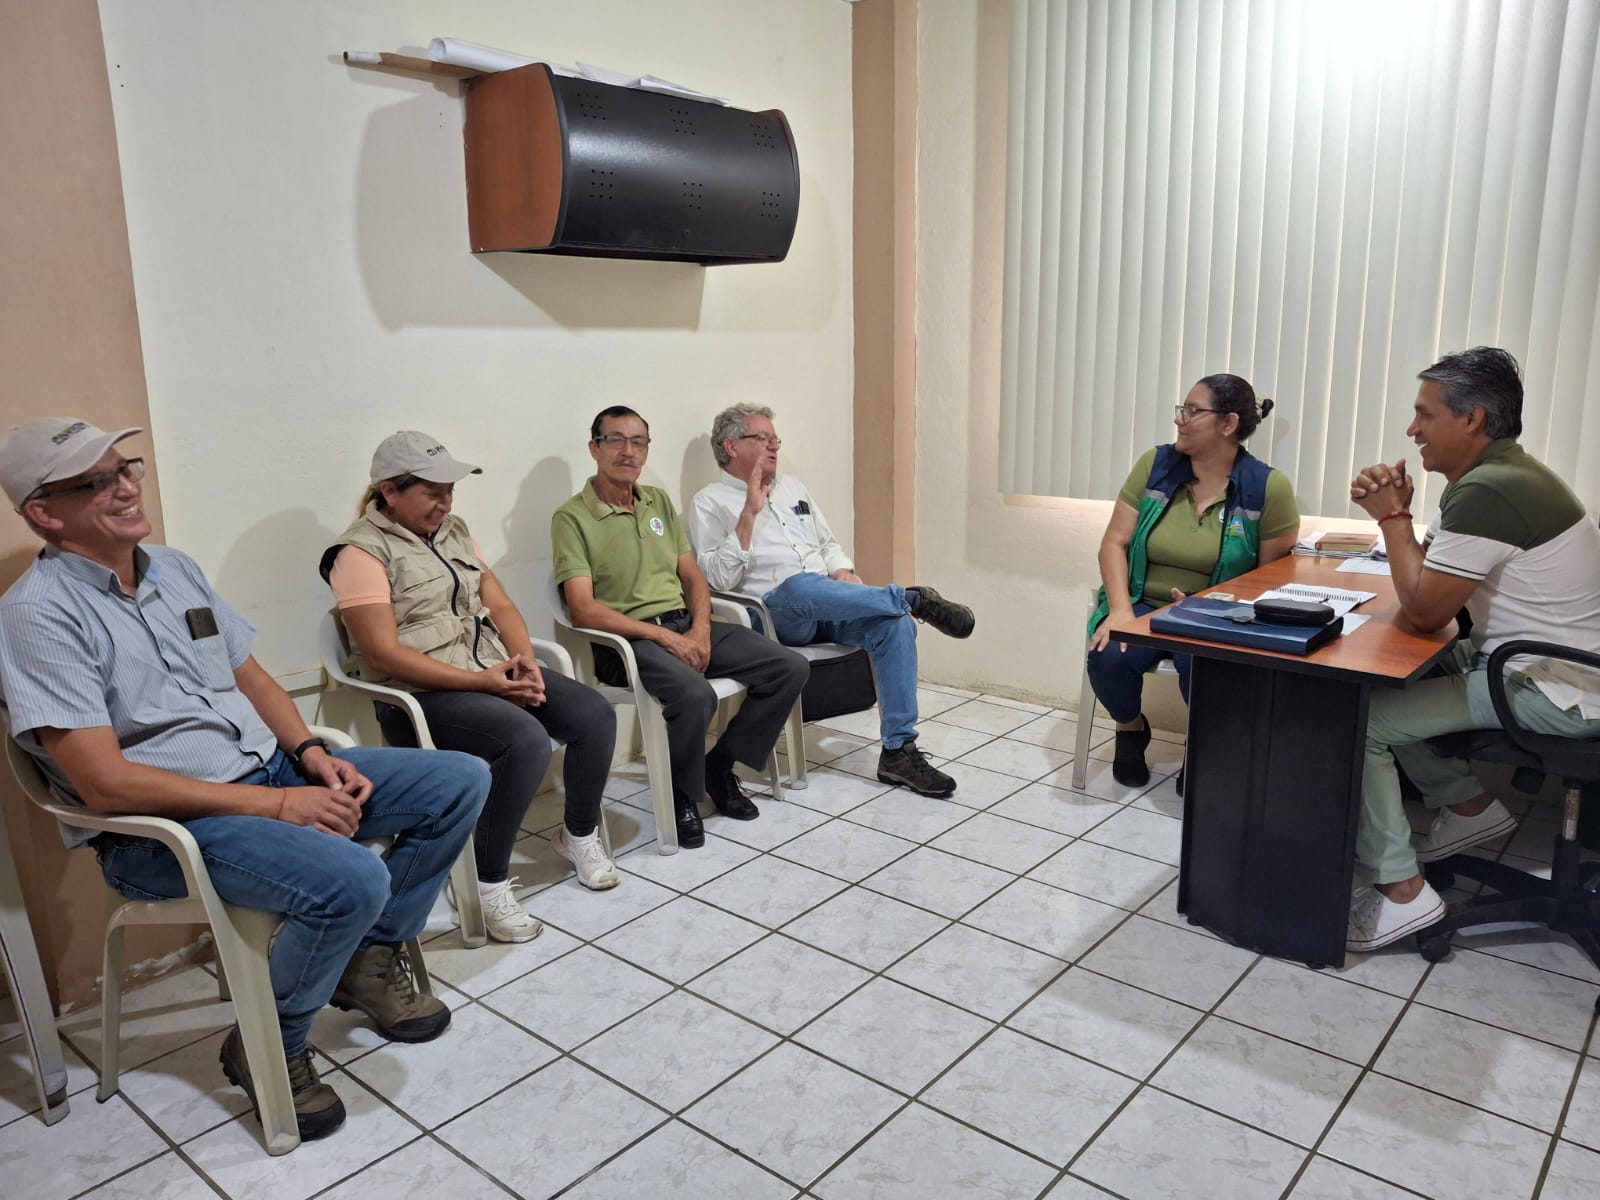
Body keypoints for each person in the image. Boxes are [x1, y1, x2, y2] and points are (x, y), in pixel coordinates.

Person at [0, 418, 489, 1142]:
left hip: (269, 770)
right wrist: (279, 803)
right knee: (352, 878)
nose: (126, 488)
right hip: (165, 830)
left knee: (458, 780)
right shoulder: (36, 616)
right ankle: (270, 1042)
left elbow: (251, 678)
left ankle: (369, 957)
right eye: (95, 482)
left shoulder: (174, 569)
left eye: (125, 468)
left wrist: (309, 753)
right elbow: (104, 785)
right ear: (44, 513)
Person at [1345, 347, 1600, 951]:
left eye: (1424, 414)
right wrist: (1404, 519)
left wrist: (1394, 518)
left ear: (1472, 418)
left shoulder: (1492, 489)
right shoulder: (1503, 475)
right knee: (1399, 670)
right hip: (1552, 666)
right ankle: (1467, 807)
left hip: (1556, 687)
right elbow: (1435, 577)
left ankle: (1401, 891)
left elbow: (1425, 610)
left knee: (1363, 720)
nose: (1412, 430)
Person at [320, 432, 621, 943]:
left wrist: (524, 662)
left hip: (488, 672)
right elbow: (382, 654)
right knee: (523, 741)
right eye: (432, 492)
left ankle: (577, 833)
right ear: (390, 491)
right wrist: (484, 683)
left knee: (593, 714)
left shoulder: (454, 531)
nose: (446, 503)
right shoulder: (359, 553)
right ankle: (486, 883)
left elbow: (498, 604)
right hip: (420, 697)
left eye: (450, 491)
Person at [551, 406, 809, 849]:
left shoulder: (657, 502)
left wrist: (701, 630)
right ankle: (682, 797)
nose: (628, 451)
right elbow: (583, 610)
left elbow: (692, 578)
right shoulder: (572, 518)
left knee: (788, 666)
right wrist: (665, 637)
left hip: (683, 623)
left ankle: (718, 767)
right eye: (616, 440)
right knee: (694, 695)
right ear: (594, 448)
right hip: (625, 643)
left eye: (638, 442)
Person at [688, 403, 975, 798]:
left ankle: (898, 752)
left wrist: (842, 570)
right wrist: (749, 514)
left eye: (776, 439)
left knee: (895, 625)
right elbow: (716, 579)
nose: (774, 446)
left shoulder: (793, 488)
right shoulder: (710, 501)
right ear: (731, 446)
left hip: (824, 603)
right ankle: (910, 598)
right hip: (770, 616)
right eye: (763, 438)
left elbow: (827, 544)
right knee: (798, 586)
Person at [1087, 374, 1300, 787]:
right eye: (1181, 409)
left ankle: (1203, 743)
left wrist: (1212, 604)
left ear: (1228, 423)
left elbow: (1271, 579)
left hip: (1217, 615)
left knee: (1206, 669)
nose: (1179, 419)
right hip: (1143, 603)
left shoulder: (1267, 487)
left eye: (1192, 411)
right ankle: (1130, 727)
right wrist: (1120, 611)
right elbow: (1113, 543)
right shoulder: (1155, 465)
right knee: (1108, 656)